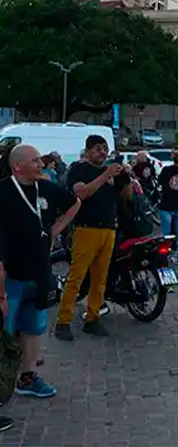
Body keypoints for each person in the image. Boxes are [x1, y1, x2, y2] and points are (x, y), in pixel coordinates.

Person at [0, 144, 80, 398]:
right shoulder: (4, 191)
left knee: (34, 326)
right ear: (17, 165)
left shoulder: (46, 187)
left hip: (39, 270)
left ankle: (28, 376)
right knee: (5, 328)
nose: (40, 164)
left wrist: (55, 230)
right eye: (34, 160)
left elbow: (74, 203)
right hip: (10, 272)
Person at [55, 135, 131, 342]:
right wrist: (106, 174)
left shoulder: (109, 173)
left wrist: (126, 178)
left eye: (105, 149)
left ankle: (93, 317)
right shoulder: (80, 169)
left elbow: (126, 196)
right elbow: (83, 193)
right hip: (86, 230)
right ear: (88, 151)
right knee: (76, 277)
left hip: (109, 230)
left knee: (100, 279)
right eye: (98, 149)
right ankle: (63, 321)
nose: (103, 153)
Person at [157, 150, 178, 265]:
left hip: (166, 204)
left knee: (166, 234)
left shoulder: (166, 170)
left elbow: (160, 182)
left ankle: (163, 256)